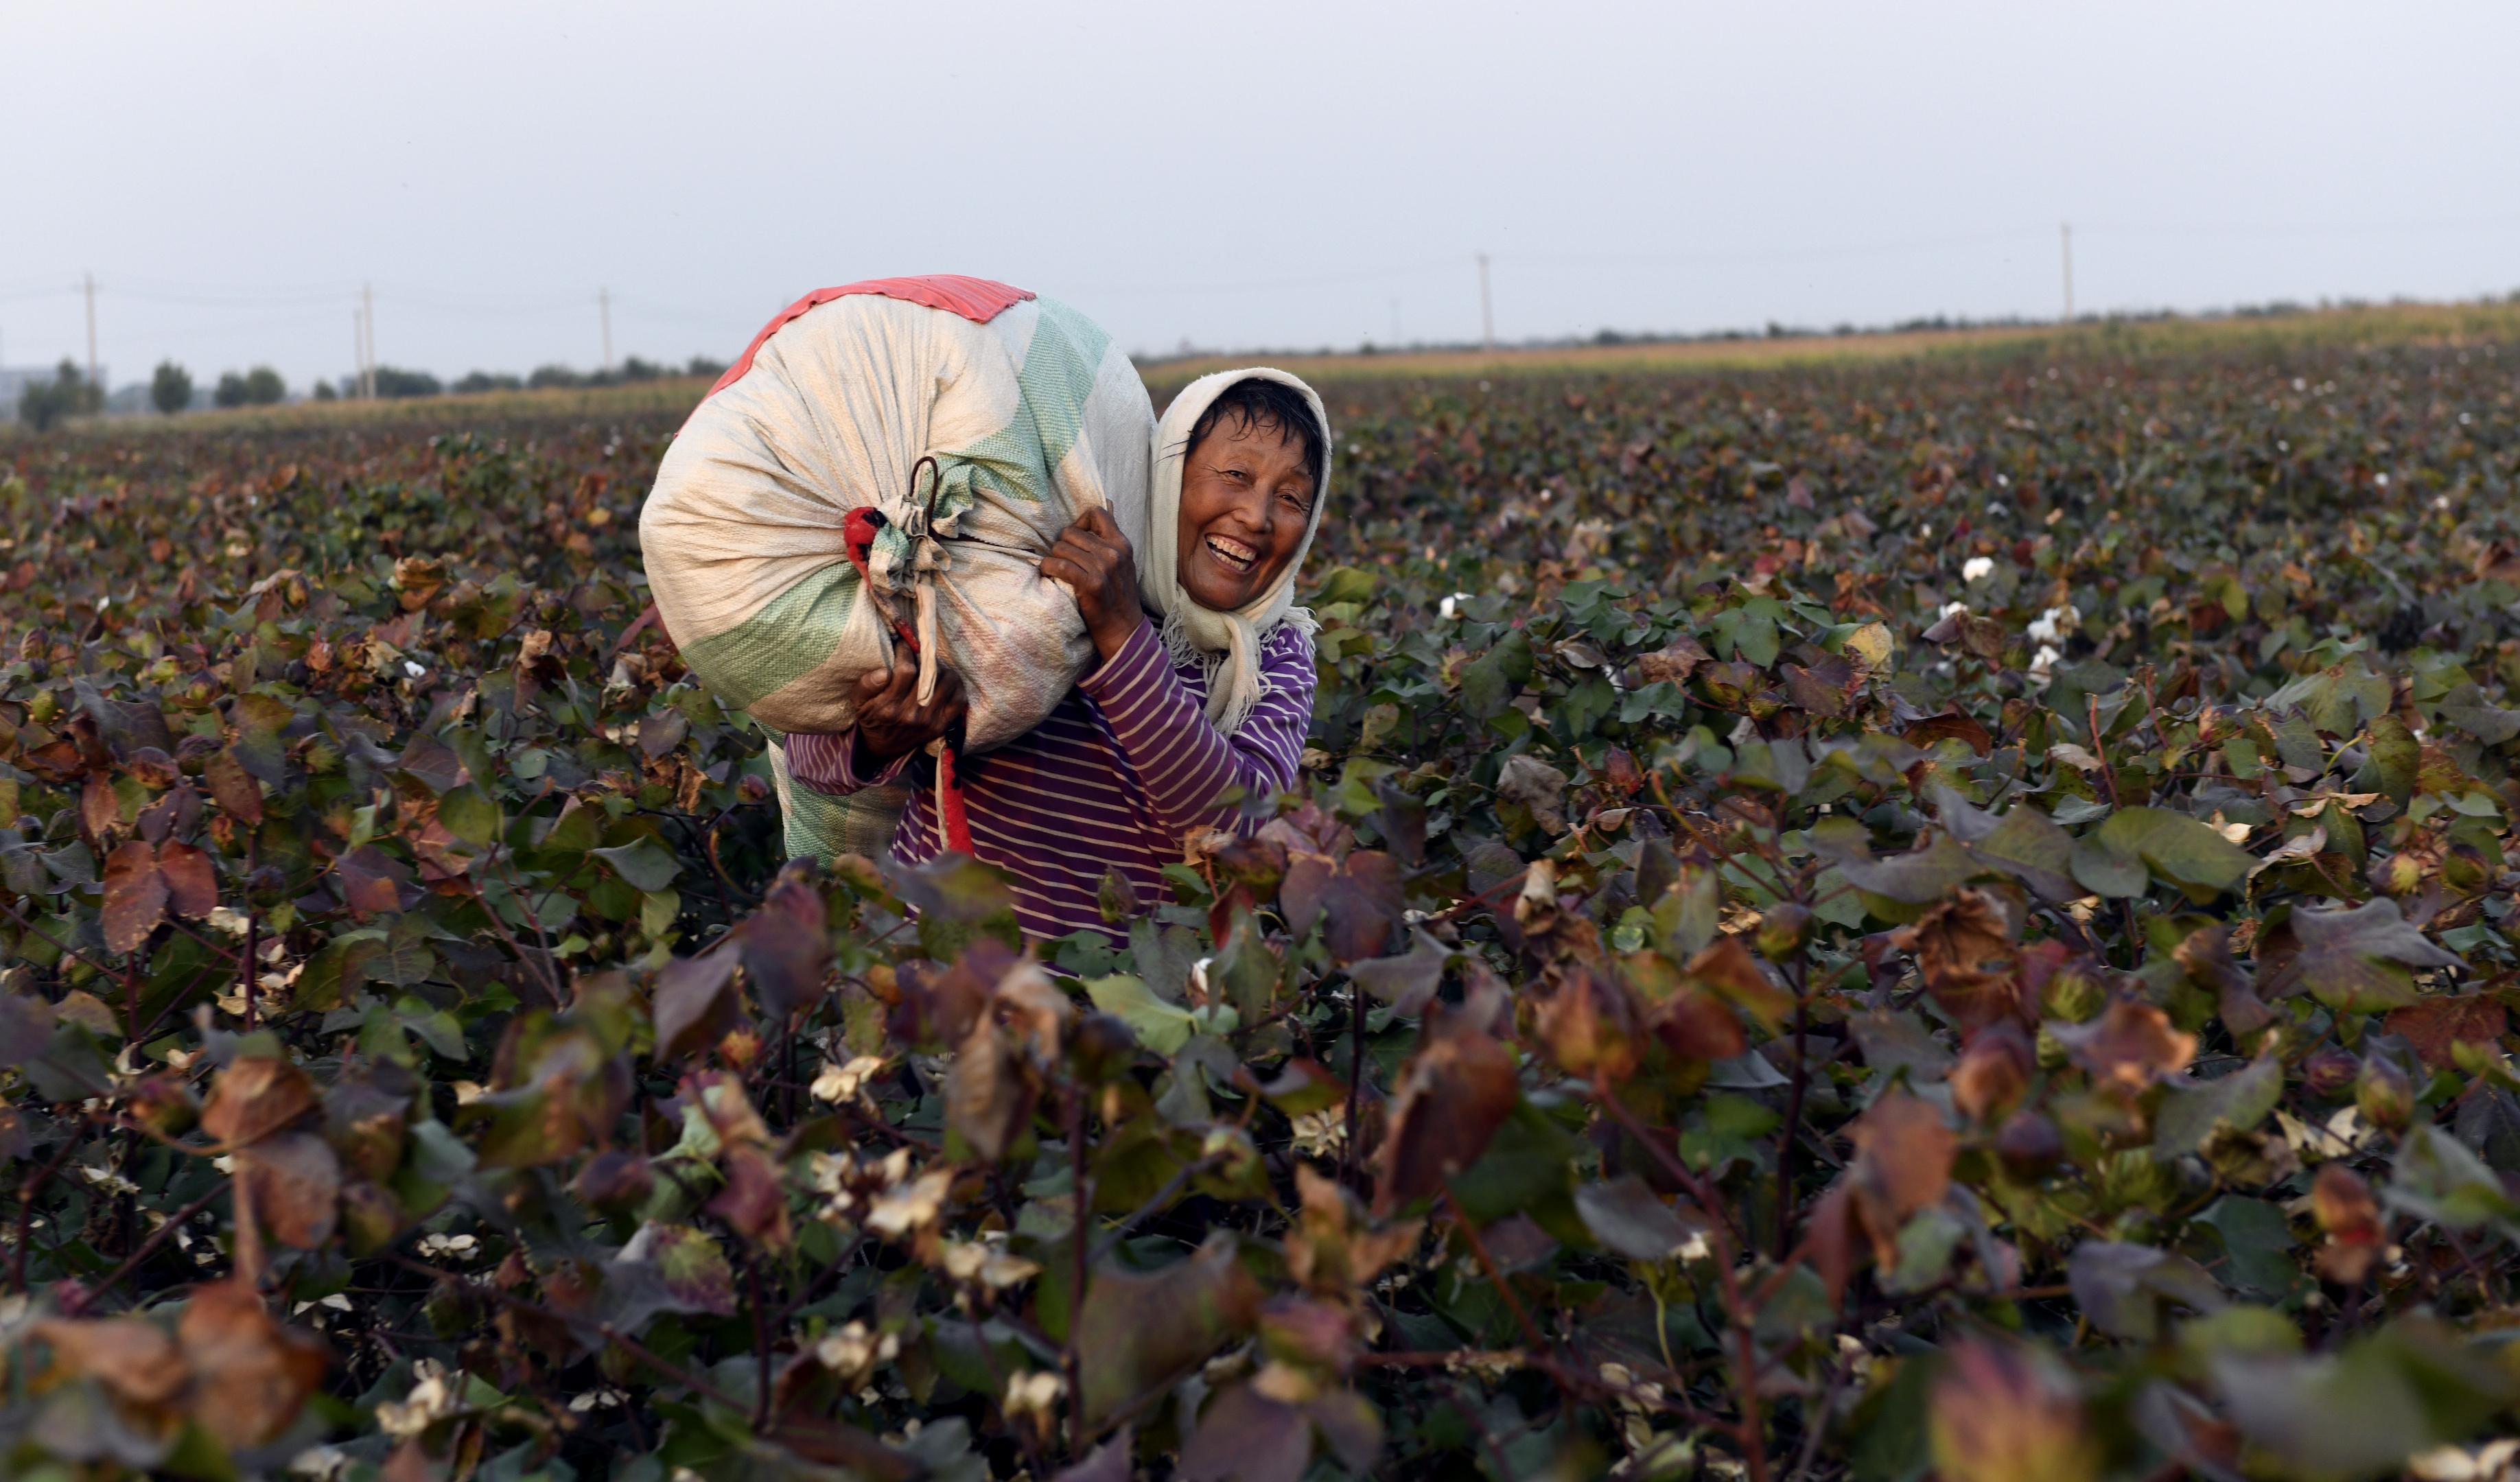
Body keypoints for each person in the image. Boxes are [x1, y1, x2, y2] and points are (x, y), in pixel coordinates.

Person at [783, 370, 1331, 940]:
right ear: (1165, 478)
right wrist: (877, 741)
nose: (1258, 516)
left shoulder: (1277, 653)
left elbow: (1235, 835)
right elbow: (812, 759)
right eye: (1235, 475)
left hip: (1127, 1009)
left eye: (1291, 497)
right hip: (941, 977)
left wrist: (1122, 635)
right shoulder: (1038, 578)